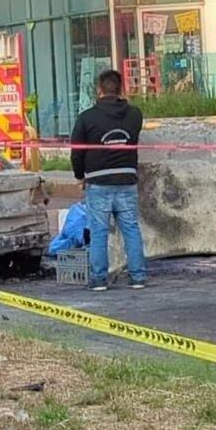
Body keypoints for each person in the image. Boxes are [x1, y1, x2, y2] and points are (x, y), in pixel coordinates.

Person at [70, 69, 147, 292]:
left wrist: (79, 175)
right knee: (131, 229)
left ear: (99, 90)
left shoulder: (86, 117)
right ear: (121, 89)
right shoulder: (135, 114)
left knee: (98, 232)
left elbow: (77, 151)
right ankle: (138, 277)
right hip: (127, 179)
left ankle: (99, 279)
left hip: (98, 182)